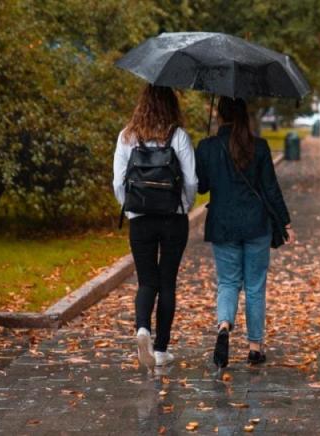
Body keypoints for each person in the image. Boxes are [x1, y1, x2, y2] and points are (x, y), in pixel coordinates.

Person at [195, 96, 293, 368]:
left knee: (228, 282)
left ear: (220, 116)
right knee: (255, 285)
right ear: (245, 117)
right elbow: (270, 188)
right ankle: (254, 347)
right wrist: (285, 222)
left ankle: (224, 326)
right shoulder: (259, 147)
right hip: (256, 224)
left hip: (222, 224)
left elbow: (201, 187)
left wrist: (203, 156)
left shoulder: (207, 147)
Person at [112, 85, 197, 368]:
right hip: (173, 218)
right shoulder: (178, 136)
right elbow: (191, 181)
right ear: (172, 106)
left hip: (140, 221)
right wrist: (185, 205)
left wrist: (132, 207)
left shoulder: (127, 137)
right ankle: (160, 350)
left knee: (147, 280)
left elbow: (117, 183)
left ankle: (142, 329)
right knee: (167, 281)